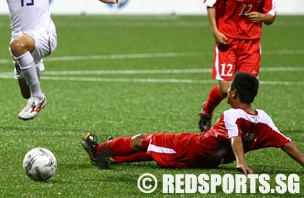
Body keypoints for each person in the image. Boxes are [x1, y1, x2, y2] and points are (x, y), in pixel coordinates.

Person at [81, 73, 304, 173]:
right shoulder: (263, 118)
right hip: (209, 158)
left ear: (234, 92)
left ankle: (97, 150)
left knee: (144, 140)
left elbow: (236, 139)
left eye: (230, 87)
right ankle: (112, 156)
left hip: (192, 149)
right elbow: (287, 143)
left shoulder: (231, 115)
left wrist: (241, 163)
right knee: (153, 151)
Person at [199, 0, 277, 132]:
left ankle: (236, 128)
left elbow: (272, 16)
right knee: (227, 90)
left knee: (245, 91)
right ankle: (207, 109)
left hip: (251, 45)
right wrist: (216, 32)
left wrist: (263, 16)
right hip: (227, 41)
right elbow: (211, 3)